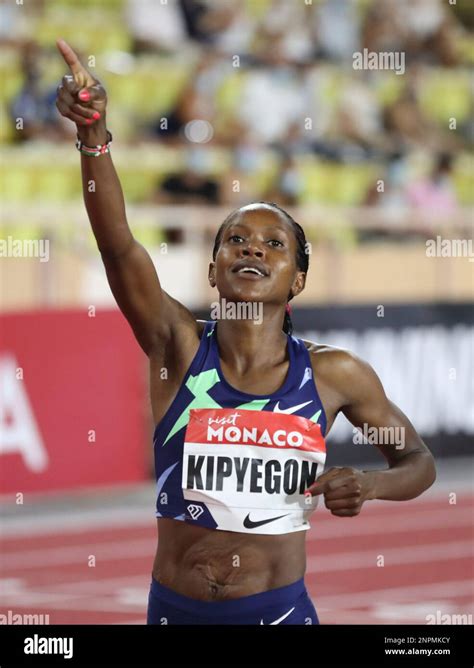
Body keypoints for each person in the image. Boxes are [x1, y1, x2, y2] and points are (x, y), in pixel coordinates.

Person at [55, 39, 436, 625]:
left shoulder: (335, 374)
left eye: (273, 244)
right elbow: (117, 243)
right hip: (174, 611)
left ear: (298, 280)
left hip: (277, 613)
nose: (252, 247)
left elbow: (417, 461)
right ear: (213, 270)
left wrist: (367, 484)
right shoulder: (175, 344)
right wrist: (92, 136)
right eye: (235, 239)